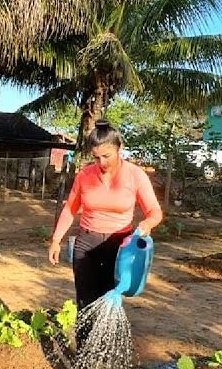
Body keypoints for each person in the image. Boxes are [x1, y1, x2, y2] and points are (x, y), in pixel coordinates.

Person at [48, 121, 164, 320]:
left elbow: (154, 211)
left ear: (120, 148)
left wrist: (147, 224)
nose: (101, 163)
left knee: (110, 299)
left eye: (106, 156)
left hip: (120, 246)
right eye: (96, 157)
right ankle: (85, 349)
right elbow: (70, 209)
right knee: (85, 301)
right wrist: (56, 240)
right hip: (86, 242)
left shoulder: (135, 175)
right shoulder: (84, 175)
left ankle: (106, 349)